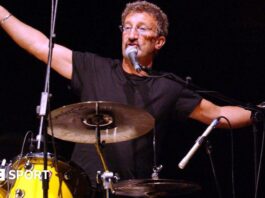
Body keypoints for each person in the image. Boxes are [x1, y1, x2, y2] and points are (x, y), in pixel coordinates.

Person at [0, 1, 253, 197]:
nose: (132, 35)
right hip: (79, 188)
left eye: (142, 29)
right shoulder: (93, 69)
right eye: (128, 27)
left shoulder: (168, 87)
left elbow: (217, 114)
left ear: (159, 41)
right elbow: (40, 46)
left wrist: (258, 113)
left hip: (132, 192)